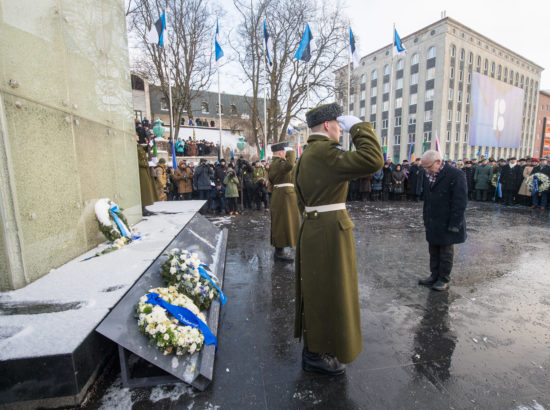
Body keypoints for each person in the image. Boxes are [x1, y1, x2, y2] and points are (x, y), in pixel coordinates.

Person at [293, 103, 384, 375]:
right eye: (338, 125)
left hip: (315, 227)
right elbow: (373, 160)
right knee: (328, 292)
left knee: (319, 291)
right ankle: (315, 353)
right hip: (329, 232)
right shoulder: (325, 152)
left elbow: (302, 198)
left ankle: (318, 347)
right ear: (327, 126)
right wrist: (359, 127)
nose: (340, 130)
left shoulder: (308, 153)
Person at [418, 150, 467, 291]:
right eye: (424, 167)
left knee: (445, 252)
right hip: (433, 220)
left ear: (438, 162)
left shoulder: (456, 175)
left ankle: (443, 279)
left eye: (428, 167)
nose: (426, 171)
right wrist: (426, 218)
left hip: (447, 221)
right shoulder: (429, 174)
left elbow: (460, 202)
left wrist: (454, 224)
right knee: (433, 250)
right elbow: (427, 199)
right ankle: (434, 275)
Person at [268, 142, 300, 261]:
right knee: (281, 224)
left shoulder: (277, 163)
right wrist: (291, 152)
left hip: (285, 196)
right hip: (283, 197)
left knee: (285, 223)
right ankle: (279, 252)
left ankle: (281, 250)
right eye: (285, 152)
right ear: (281, 152)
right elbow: (290, 165)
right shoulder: (277, 163)